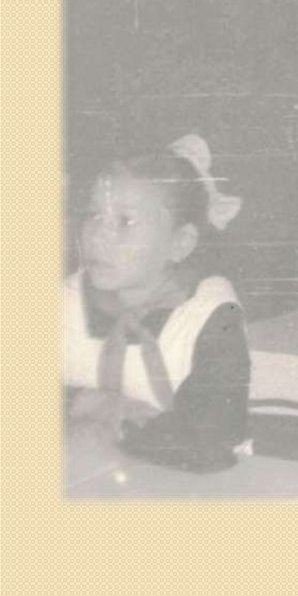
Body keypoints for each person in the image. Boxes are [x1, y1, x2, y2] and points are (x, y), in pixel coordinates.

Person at [64, 135, 251, 473]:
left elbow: (211, 439)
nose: (97, 234)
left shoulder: (212, 315)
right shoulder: (61, 300)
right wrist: (91, 402)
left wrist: (101, 420)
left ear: (179, 243)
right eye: (93, 215)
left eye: (125, 221)